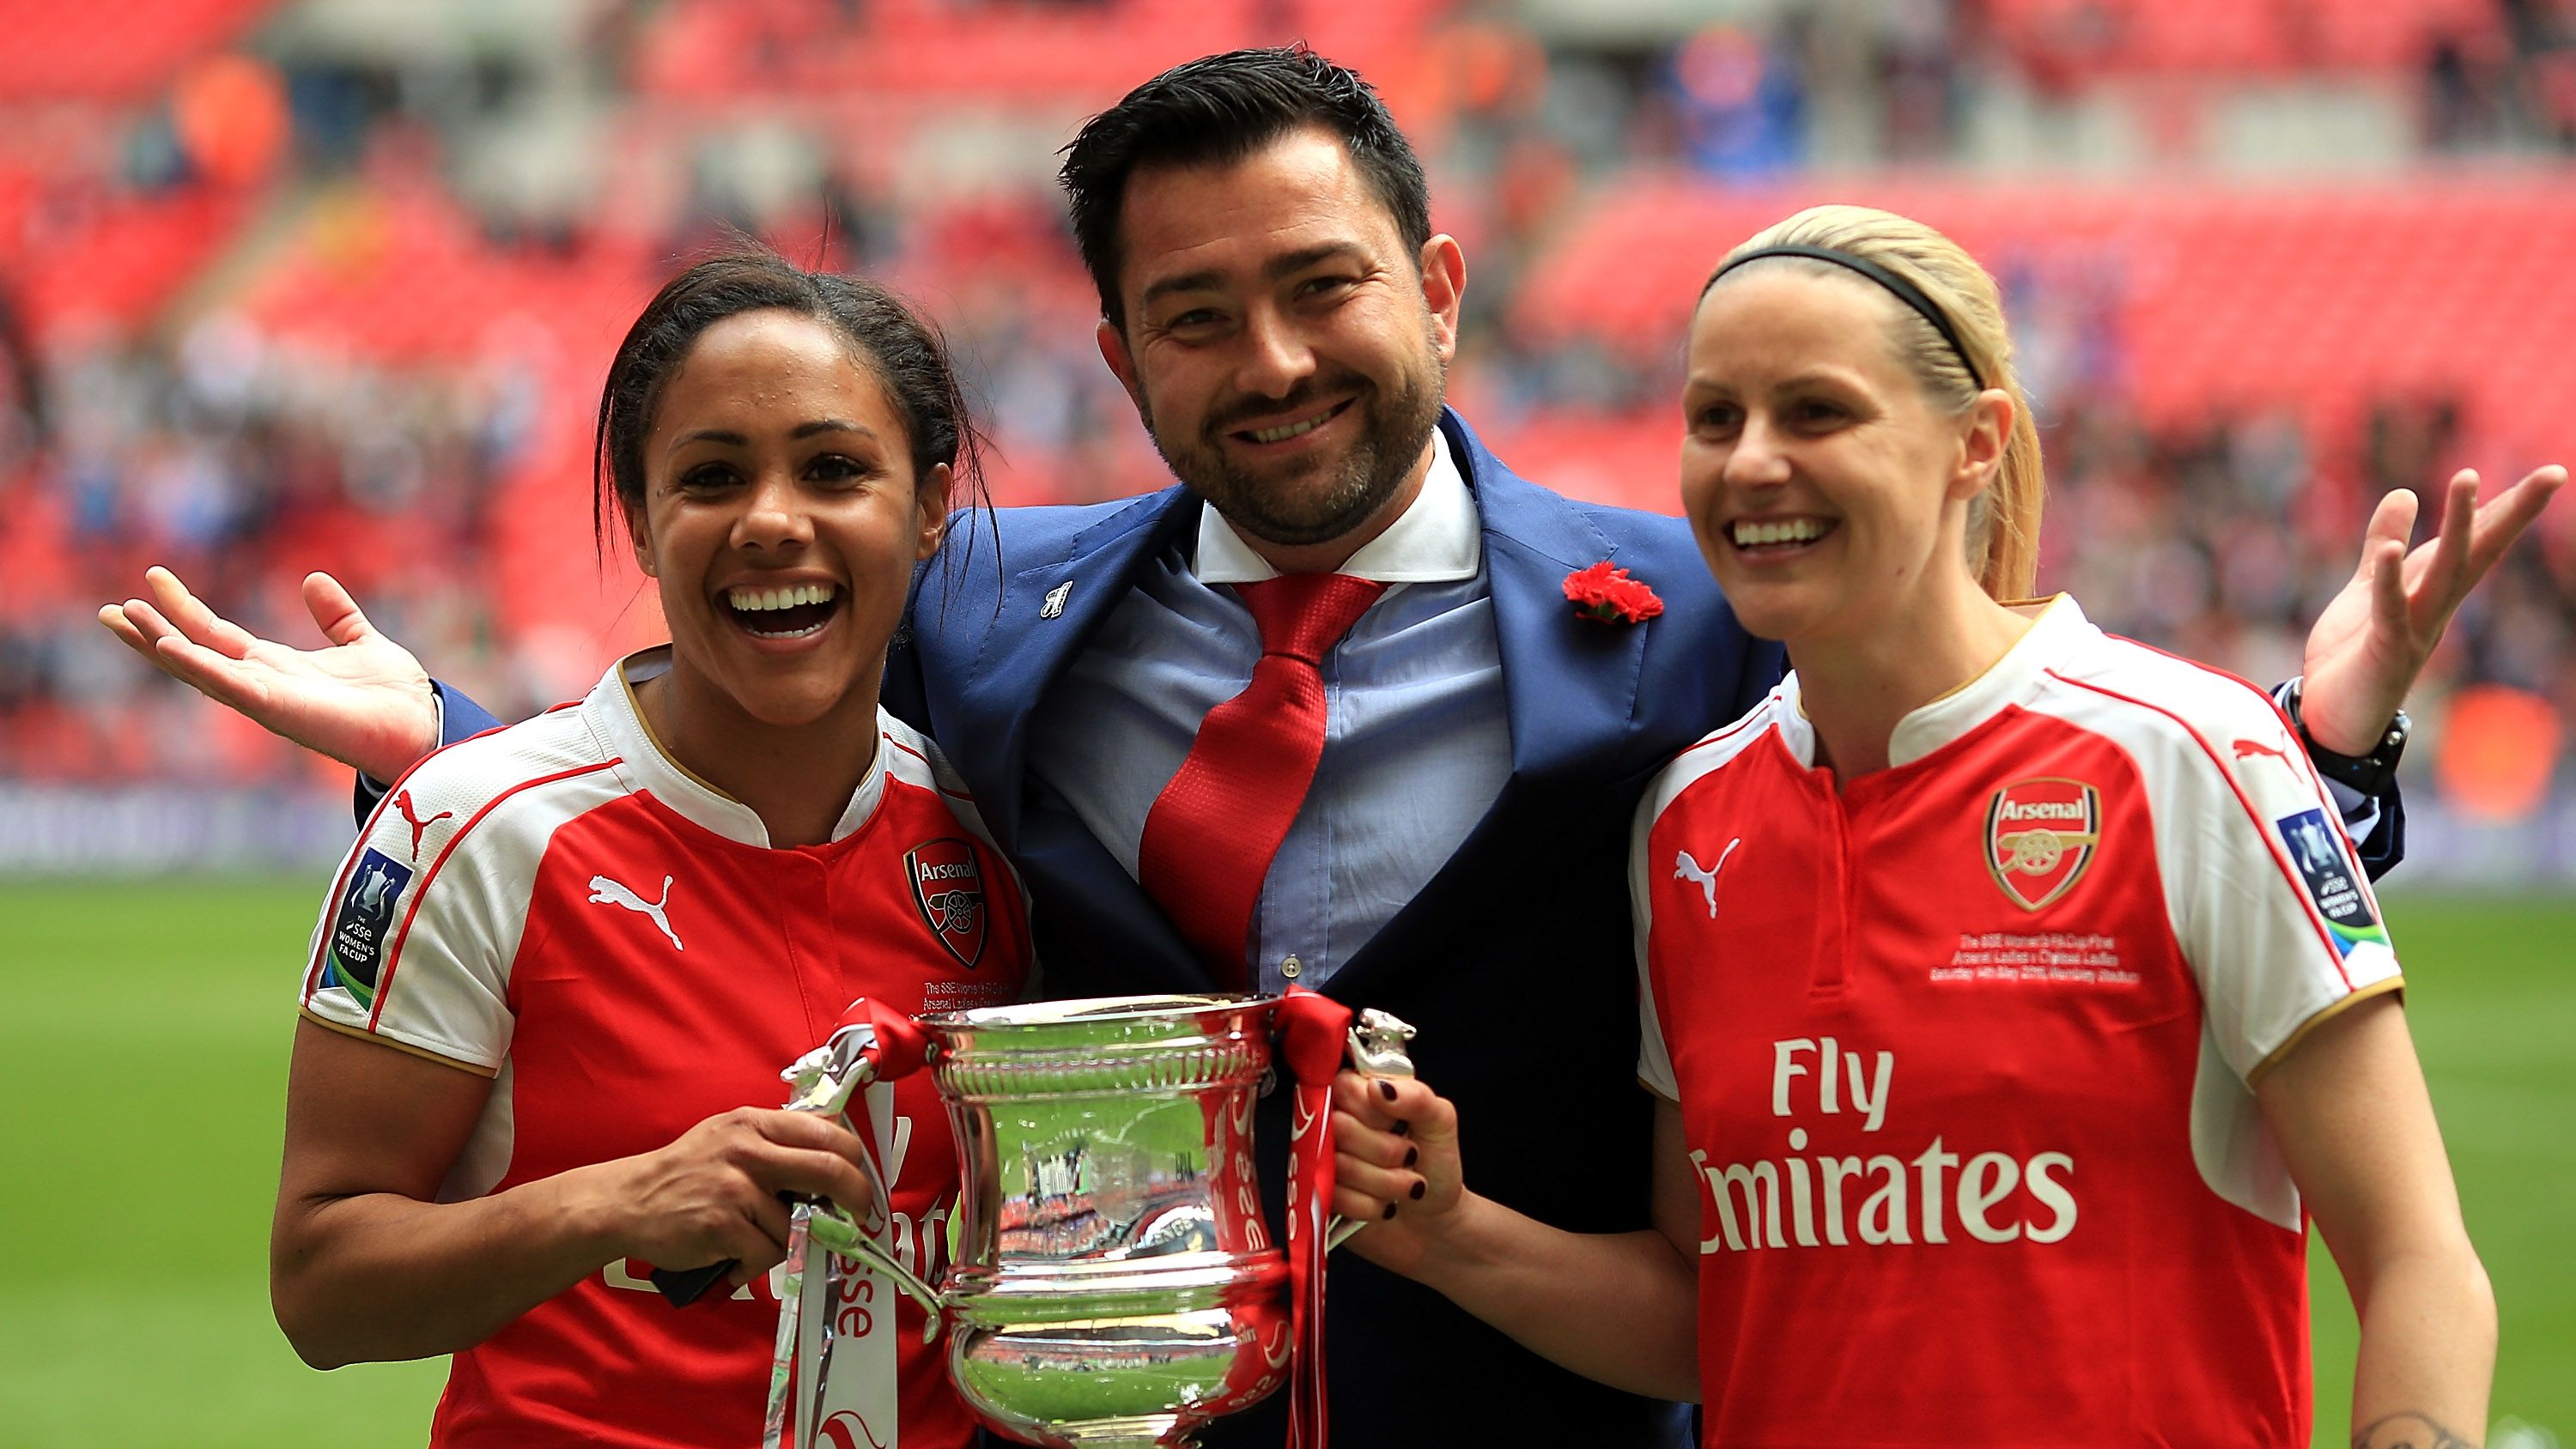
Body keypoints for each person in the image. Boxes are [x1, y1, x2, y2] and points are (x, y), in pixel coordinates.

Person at [103, 48, 2544, 1449]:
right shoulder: (991, 607)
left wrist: (2321, 748)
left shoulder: (1700, 601)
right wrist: (443, 738)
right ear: (1121, 361)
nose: (1269, 360)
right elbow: (750, 679)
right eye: (1193, 317)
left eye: (1320, 289)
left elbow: (1991, 766)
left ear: (1440, 290)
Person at [1326, 206, 2536, 1448]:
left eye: (1816, 413)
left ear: (1977, 442)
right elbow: (1718, 1315)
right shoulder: (1684, 827)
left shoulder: (2194, 754)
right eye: (1714, 417)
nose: (1749, 463)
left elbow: (2417, 1264)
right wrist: (1458, 1237)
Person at [110, 252, 1033, 1448]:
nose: (769, 521)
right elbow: (322, 1286)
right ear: (642, 520)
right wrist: (616, 1201)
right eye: (710, 477)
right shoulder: (471, 831)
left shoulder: (996, 829)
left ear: (927, 507)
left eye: (835, 469)